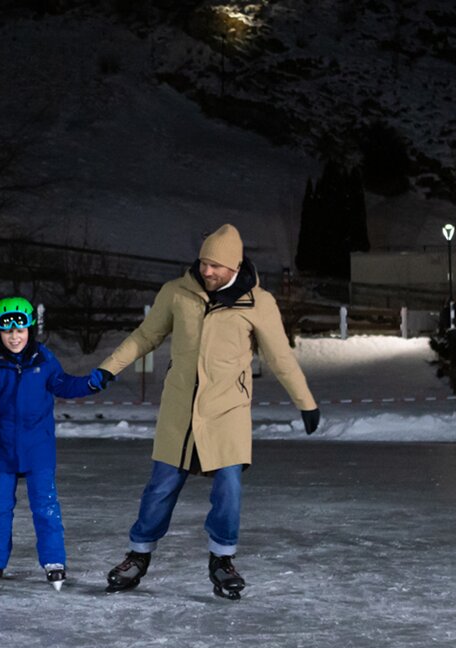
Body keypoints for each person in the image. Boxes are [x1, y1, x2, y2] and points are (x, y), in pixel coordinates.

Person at [92, 224, 319, 600]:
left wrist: (305, 402)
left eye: (215, 266)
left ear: (234, 266)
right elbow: (146, 335)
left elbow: (279, 358)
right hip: (180, 407)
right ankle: (138, 555)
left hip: (227, 410)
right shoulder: (176, 293)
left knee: (228, 487)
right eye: (203, 263)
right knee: (161, 486)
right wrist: (109, 367)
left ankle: (222, 561)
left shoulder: (258, 303)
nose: (207, 271)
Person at [0, 296, 110, 594]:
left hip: (38, 449)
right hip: (3, 451)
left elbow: (64, 384)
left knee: (45, 508)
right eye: (7, 332)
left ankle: (54, 560)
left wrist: (91, 384)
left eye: (20, 330)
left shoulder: (44, 360)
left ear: (30, 330)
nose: (14, 337)